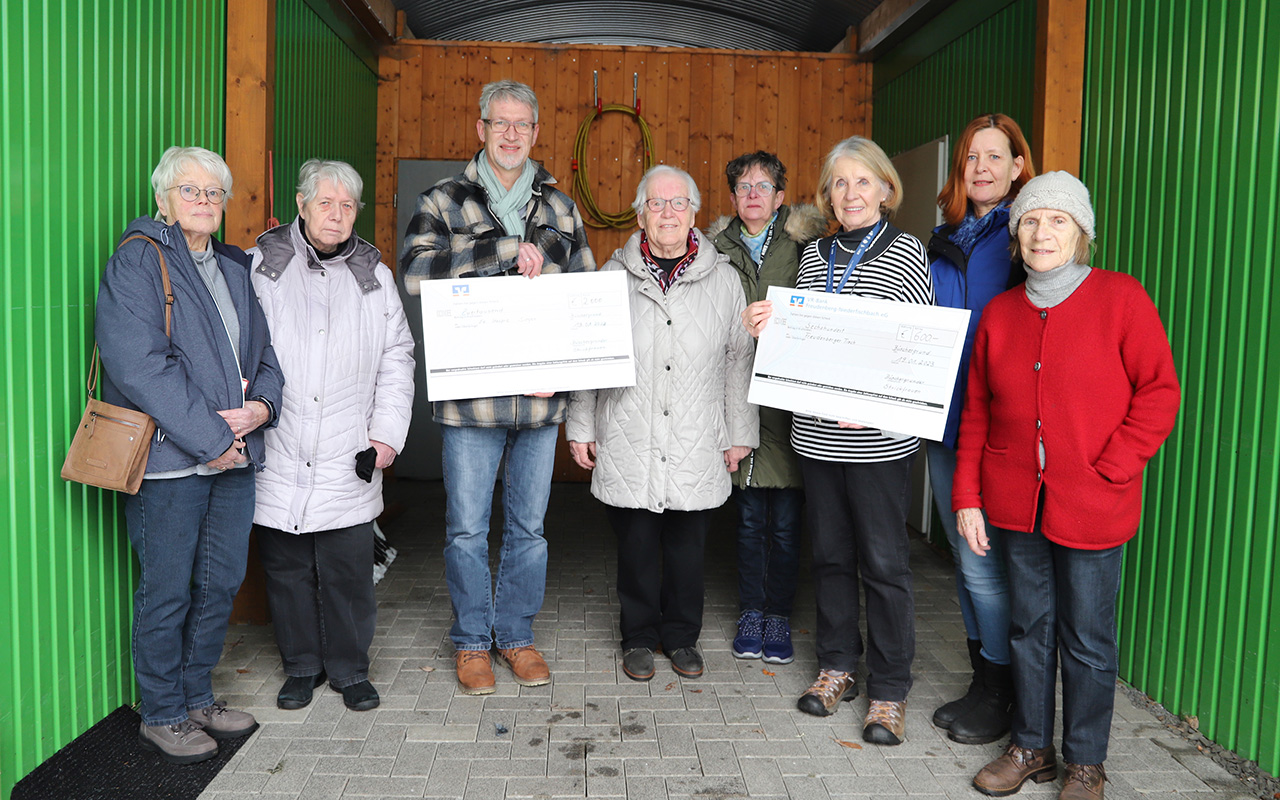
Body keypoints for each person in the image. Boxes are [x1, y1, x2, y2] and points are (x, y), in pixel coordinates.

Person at [955, 172, 1180, 799]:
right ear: (1016, 235)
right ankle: (1031, 748)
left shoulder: (1121, 298)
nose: (1041, 232)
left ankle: (1086, 762)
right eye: (1029, 220)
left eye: (1057, 220)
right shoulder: (1000, 315)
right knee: (1029, 629)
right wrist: (967, 496)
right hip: (1016, 505)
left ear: (1081, 234)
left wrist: (1113, 466)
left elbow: (1159, 392)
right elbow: (977, 410)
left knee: (1086, 639)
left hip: (1093, 503)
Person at [401, 79, 595, 695]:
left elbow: (584, 292)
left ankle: (514, 634)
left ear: (536, 133)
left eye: (523, 125)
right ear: (481, 128)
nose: (511, 135)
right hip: (471, 400)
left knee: (529, 529)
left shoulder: (561, 208)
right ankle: (470, 641)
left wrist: (570, 370)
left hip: (539, 400)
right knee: (465, 528)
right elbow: (413, 273)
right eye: (500, 123)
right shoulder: (444, 200)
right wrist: (503, 250)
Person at [742, 135, 934, 745]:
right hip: (816, 437)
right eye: (840, 183)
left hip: (876, 444)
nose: (851, 194)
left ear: (884, 189)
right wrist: (766, 328)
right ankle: (836, 668)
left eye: (862, 182)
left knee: (883, 564)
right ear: (828, 193)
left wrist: (869, 408)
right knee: (827, 557)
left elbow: (908, 351)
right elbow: (804, 339)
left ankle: (889, 690)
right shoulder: (815, 254)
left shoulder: (906, 250)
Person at [95, 145, 283, 764]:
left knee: (219, 582)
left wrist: (262, 412)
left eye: (213, 193)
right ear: (163, 198)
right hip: (173, 462)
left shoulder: (232, 266)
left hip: (234, 457)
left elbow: (265, 356)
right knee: (169, 587)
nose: (204, 202)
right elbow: (142, 368)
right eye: (190, 191)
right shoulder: (138, 263)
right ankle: (163, 712)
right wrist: (214, 437)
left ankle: (199, 695)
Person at [566, 165, 757, 682]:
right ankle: (638, 637)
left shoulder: (724, 280)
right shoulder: (611, 277)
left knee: (688, 547)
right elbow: (588, 358)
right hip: (630, 430)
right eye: (656, 203)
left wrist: (741, 434)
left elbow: (739, 359)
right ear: (640, 212)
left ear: (694, 211)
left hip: (697, 434)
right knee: (636, 545)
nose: (668, 213)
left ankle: (681, 636)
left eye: (678, 203)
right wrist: (580, 425)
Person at [249, 159, 415, 713]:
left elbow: (398, 357)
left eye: (348, 206)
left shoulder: (375, 274)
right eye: (326, 203)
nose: (337, 215)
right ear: (301, 203)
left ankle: (349, 668)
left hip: (350, 447)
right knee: (288, 567)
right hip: (282, 441)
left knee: (348, 571)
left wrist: (386, 436)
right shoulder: (263, 264)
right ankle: (301, 666)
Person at [926, 113, 1036, 744]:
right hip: (945, 421)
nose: (983, 168)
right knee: (964, 561)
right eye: (972, 157)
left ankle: (1005, 692)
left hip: (1000, 424)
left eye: (996, 157)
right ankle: (984, 681)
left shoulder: (1027, 236)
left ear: (1019, 166)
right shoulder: (942, 237)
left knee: (984, 564)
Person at [706, 151, 826, 665]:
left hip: (789, 400)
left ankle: (778, 615)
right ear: (732, 198)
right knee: (750, 521)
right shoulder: (711, 249)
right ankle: (751, 612)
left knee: (786, 523)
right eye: (743, 186)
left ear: (780, 196)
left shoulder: (807, 246)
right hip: (736, 396)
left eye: (763, 185)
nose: (752, 193)